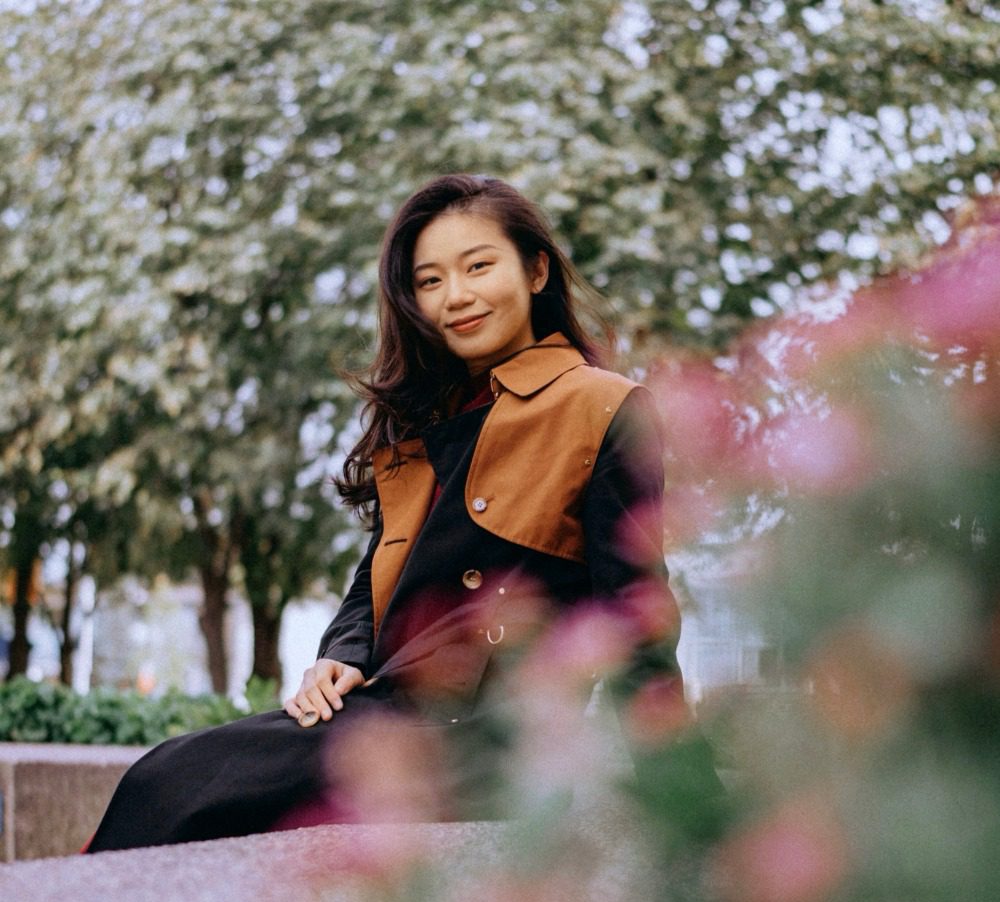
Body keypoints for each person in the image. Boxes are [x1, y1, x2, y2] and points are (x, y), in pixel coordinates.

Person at [85, 173, 686, 852]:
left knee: (178, 784)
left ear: (536, 268)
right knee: (168, 777)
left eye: (479, 266)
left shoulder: (601, 406)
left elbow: (636, 613)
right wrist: (338, 656)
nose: (455, 296)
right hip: (388, 706)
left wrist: (685, 797)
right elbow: (377, 574)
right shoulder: (427, 419)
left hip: (482, 741)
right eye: (429, 281)